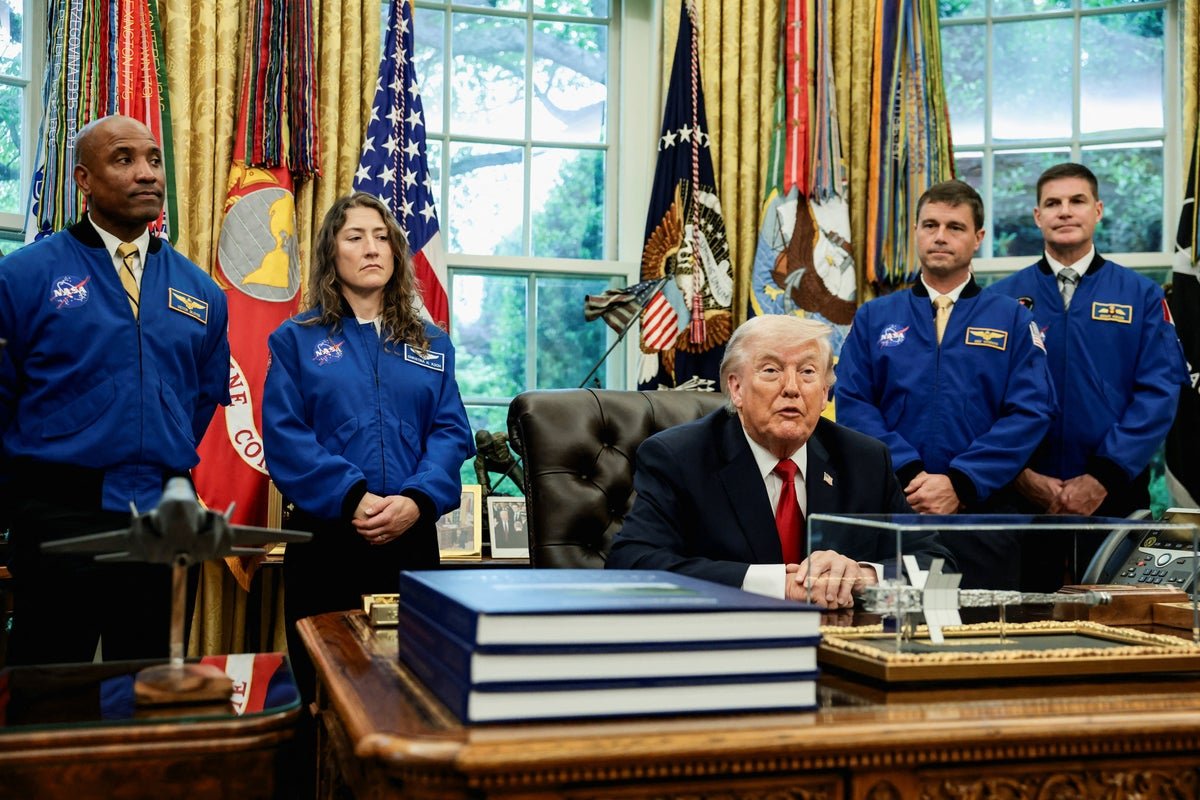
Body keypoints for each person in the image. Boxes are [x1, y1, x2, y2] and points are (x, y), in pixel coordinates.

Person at [0, 115, 231, 665]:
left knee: (151, 689)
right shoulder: (25, 276)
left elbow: (198, 402)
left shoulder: (201, 291)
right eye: (123, 160)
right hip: (59, 516)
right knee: (49, 693)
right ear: (83, 179)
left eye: (153, 159)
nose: (147, 173)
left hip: (165, 519)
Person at [263, 192, 474, 704]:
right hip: (327, 542)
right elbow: (285, 436)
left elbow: (450, 432)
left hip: (411, 540)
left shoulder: (431, 344)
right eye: (355, 237)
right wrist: (351, 494)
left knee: (412, 692)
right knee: (327, 694)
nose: (372, 248)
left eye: (382, 238)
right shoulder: (296, 340)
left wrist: (417, 501)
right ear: (332, 253)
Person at [606, 315, 955, 609]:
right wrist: (776, 584)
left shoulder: (865, 459)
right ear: (737, 388)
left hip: (844, 653)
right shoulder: (679, 457)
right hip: (726, 649)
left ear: (825, 394)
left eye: (807, 373)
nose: (792, 388)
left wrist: (862, 576)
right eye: (771, 370)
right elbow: (632, 563)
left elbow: (940, 565)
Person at [834, 179, 1055, 589]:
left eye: (955, 227)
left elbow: (1031, 411)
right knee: (892, 635)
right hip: (894, 509)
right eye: (929, 225)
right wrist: (910, 473)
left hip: (982, 515)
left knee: (985, 639)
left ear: (978, 238)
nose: (940, 236)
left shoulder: (1012, 318)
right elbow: (853, 402)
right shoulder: (873, 318)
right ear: (915, 232)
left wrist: (961, 482)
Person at [988, 163, 1187, 520]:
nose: (1064, 211)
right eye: (1052, 203)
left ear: (1097, 210)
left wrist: (1103, 477)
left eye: (1077, 200)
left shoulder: (1141, 295)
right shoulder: (1000, 300)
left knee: (1108, 579)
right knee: (1017, 580)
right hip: (1018, 497)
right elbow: (980, 394)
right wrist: (1020, 476)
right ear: (1037, 216)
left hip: (1115, 492)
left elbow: (1160, 391)